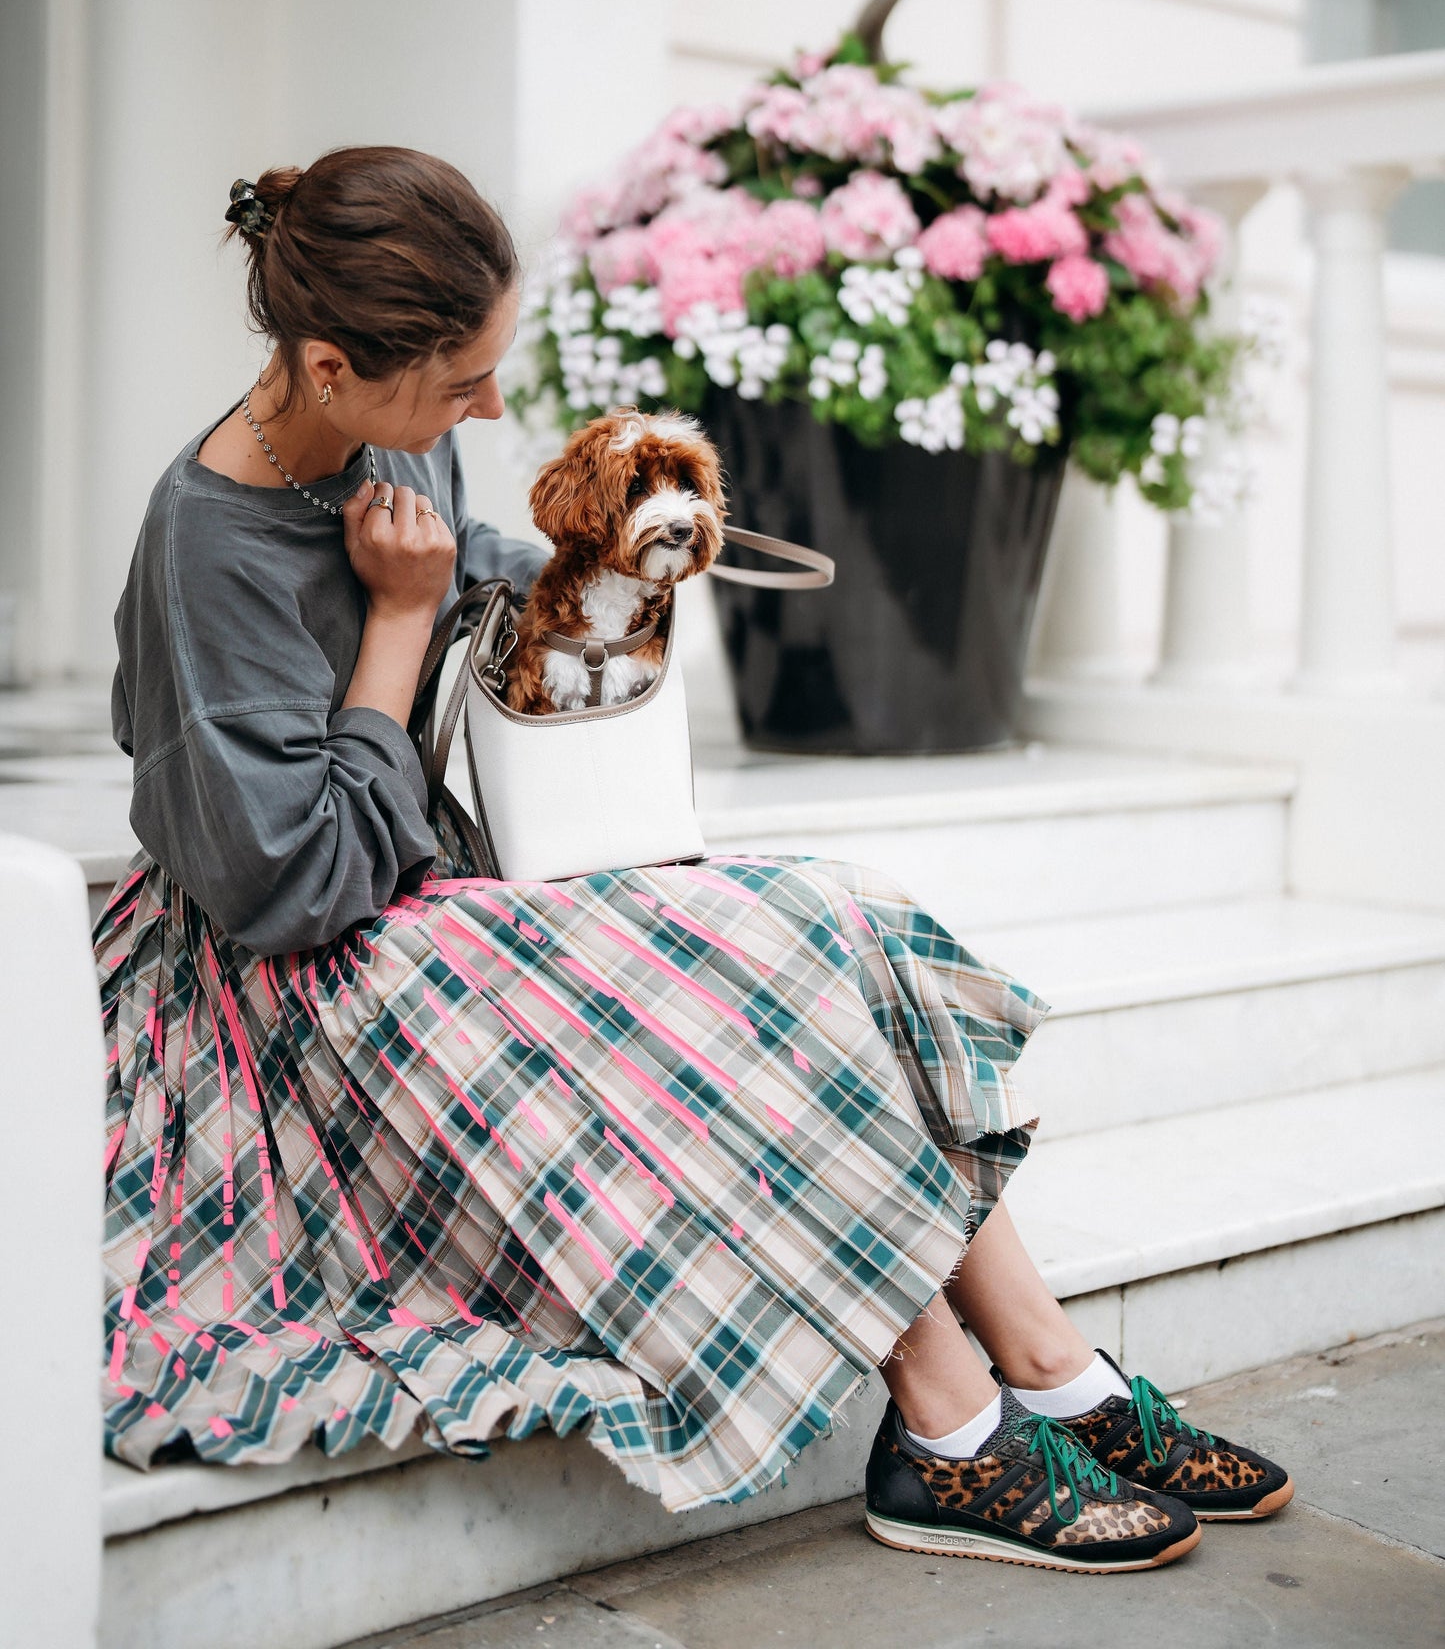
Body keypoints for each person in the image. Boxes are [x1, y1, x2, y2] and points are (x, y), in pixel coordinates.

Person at [99, 145, 1291, 1572]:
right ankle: (945, 1424)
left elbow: (453, 550)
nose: (485, 406)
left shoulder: (383, 430)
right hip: (290, 973)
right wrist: (401, 623)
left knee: (811, 914)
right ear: (328, 363)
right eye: (459, 382)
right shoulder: (200, 551)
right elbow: (285, 887)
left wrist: (590, 564)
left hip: (429, 883)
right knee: (703, 989)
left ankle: (1046, 1363)